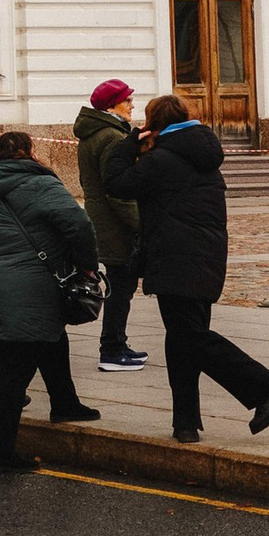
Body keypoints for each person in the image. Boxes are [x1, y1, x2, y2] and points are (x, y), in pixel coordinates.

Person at [105, 95, 269, 443]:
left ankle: (267, 388)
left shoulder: (162, 159)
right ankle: (185, 424)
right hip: (206, 257)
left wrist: (131, 141)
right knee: (182, 342)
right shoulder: (204, 154)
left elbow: (116, 183)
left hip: (174, 259)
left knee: (189, 338)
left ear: (155, 125)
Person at [0, 130, 99, 470]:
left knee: (50, 336)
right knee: (14, 366)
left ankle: (65, 402)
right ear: (28, 152)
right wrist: (86, 268)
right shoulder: (39, 183)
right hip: (24, 286)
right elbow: (80, 225)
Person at [74, 79, 150, 372]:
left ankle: (118, 343)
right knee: (121, 287)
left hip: (102, 218)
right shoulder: (111, 137)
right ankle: (112, 349)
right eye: (128, 100)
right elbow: (118, 190)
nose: (133, 105)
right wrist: (141, 225)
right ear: (111, 105)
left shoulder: (96, 132)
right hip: (114, 224)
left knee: (121, 285)